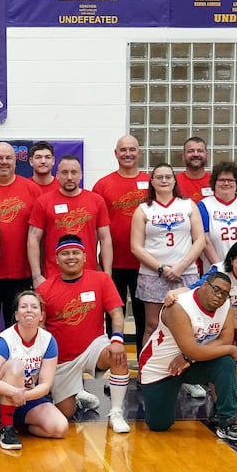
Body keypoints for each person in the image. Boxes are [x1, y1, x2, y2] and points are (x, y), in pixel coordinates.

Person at [164, 239, 237, 421]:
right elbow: (195, 290)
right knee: (220, 361)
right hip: (221, 325)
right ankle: (219, 406)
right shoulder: (219, 273)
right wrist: (174, 294)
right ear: (231, 263)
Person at [138, 272, 237, 443]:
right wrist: (230, 349)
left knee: (225, 362)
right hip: (161, 368)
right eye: (216, 290)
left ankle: (227, 421)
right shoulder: (179, 307)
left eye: (225, 294)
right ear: (204, 286)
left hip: (190, 362)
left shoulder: (225, 305)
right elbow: (192, 349)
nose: (220, 297)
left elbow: (224, 339)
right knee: (159, 425)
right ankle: (157, 401)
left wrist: (189, 358)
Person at [36, 236, 130, 433]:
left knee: (118, 355)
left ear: (85, 256)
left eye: (76, 252)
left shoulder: (101, 279)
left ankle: (116, 413)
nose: (71, 257)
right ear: (56, 258)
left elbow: (116, 313)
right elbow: (41, 327)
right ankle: (76, 394)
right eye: (65, 253)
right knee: (65, 414)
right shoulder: (44, 289)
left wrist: (117, 339)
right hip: (62, 359)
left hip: (93, 346)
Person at [0, 290, 68, 450]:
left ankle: (15, 423)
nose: (28, 310)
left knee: (59, 428)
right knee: (16, 366)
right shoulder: (6, 339)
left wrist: (23, 395)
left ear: (41, 316)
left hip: (27, 396)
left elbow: (45, 385)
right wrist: (13, 392)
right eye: (24, 307)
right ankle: (5, 428)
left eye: (34, 307)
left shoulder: (48, 340)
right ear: (17, 314)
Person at [130, 164, 206, 349]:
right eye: (159, 177)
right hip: (153, 275)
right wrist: (161, 268)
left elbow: (200, 240)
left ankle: (187, 369)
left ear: (174, 180)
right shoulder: (143, 209)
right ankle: (147, 372)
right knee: (152, 325)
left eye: (168, 177)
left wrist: (181, 266)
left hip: (185, 273)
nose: (164, 180)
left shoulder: (188, 205)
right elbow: (136, 247)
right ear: (152, 182)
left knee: (188, 323)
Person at [0, 142, 42, 329]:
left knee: (18, 327)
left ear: (15, 161)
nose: (4, 162)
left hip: (21, 272)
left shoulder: (32, 189)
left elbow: (39, 233)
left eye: (8, 158)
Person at [92, 135, 150, 352]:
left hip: (145, 264)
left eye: (132, 149)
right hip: (113, 264)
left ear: (139, 152)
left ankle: (145, 369)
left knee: (145, 319)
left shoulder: (151, 183)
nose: (128, 154)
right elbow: (96, 228)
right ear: (115, 154)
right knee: (112, 317)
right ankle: (111, 365)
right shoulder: (102, 185)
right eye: (123, 150)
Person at [28, 155, 112, 285]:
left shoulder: (96, 201)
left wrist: (107, 273)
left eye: (74, 172)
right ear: (57, 175)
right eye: (64, 172)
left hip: (88, 273)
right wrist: (36, 276)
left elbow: (105, 238)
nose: (69, 177)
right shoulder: (43, 202)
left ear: (81, 175)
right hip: (53, 276)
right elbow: (33, 238)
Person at [198, 161, 237, 267]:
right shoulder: (204, 205)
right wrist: (220, 266)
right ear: (214, 182)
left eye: (230, 180)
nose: (226, 183)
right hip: (213, 267)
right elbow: (205, 240)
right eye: (221, 180)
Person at [175, 137, 211, 204]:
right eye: (191, 151)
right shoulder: (173, 182)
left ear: (207, 156)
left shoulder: (216, 181)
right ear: (183, 156)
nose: (196, 154)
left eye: (200, 151)